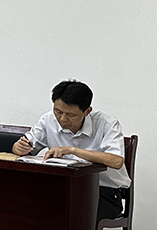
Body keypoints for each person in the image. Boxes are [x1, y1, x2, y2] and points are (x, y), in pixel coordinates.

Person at [12, 80, 130, 221]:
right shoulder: (48, 120)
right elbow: (22, 146)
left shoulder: (106, 123)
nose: (62, 118)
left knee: (71, 216)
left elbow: (116, 161)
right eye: (58, 111)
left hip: (103, 191)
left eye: (70, 114)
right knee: (26, 207)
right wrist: (19, 147)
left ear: (87, 111)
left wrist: (73, 150)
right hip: (62, 188)